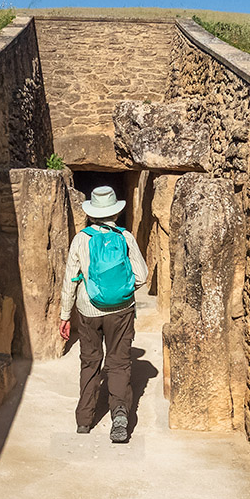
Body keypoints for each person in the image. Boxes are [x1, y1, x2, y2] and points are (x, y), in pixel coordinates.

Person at [58, 185, 149, 443]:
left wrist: (65, 315)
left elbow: (70, 281)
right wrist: (123, 292)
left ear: (92, 213)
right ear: (115, 212)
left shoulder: (80, 239)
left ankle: (84, 421)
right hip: (121, 311)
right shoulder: (125, 237)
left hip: (88, 312)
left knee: (90, 361)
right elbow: (142, 276)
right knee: (119, 362)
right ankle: (119, 415)